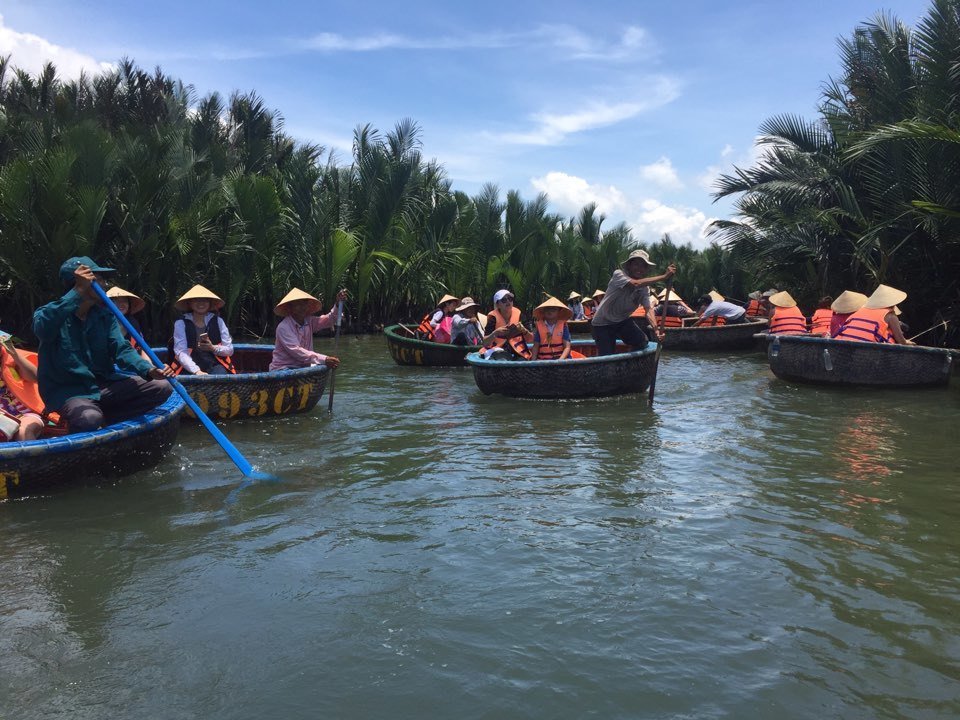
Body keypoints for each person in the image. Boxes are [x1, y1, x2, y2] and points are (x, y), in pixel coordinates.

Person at [32, 257, 174, 434]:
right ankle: (88, 426)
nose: (105, 284)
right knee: (88, 418)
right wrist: (78, 290)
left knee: (162, 387)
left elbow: (122, 349)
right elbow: (42, 328)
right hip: (70, 391)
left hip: (104, 385)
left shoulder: (105, 316)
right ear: (80, 283)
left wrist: (149, 370)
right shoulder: (51, 313)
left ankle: (106, 420)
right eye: (98, 279)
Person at [590, 249, 677, 355]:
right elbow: (635, 284)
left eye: (643, 266)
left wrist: (656, 330)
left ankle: (629, 366)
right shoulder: (619, 274)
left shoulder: (645, 289)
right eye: (636, 264)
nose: (639, 269)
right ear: (629, 266)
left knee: (642, 341)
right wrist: (664, 277)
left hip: (622, 321)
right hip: (602, 324)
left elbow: (648, 310)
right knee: (607, 355)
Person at [269, 288, 346, 371]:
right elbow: (297, 352)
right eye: (298, 304)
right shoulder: (284, 327)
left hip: (303, 368)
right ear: (290, 307)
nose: (302, 307)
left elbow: (329, 320)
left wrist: (337, 305)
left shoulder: (309, 321)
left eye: (304, 303)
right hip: (283, 369)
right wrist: (324, 359)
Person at [171, 285, 236, 376]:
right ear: (189, 303)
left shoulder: (218, 321)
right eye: (196, 300)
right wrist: (196, 371)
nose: (200, 303)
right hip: (188, 363)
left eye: (204, 300)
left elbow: (229, 350)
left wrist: (212, 348)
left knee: (221, 375)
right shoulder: (180, 323)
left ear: (210, 303)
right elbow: (181, 352)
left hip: (214, 362)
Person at [834, 284, 913, 344]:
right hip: (868, 349)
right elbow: (900, 340)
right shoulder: (891, 315)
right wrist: (907, 343)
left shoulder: (860, 310)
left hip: (843, 346)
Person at [0, 336, 45, 441]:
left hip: (23, 413)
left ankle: (33, 457)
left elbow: (34, 377)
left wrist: (13, 353)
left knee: (24, 431)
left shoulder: (10, 357)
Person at [482, 289, 533, 359]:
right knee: (501, 357)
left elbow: (531, 339)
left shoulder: (520, 314)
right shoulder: (493, 318)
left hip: (517, 351)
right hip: (498, 351)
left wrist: (524, 331)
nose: (508, 301)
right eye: (504, 300)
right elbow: (485, 343)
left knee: (522, 359)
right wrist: (495, 333)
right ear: (497, 304)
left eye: (510, 299)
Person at [106, 285, 150, 361]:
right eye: (116, 300)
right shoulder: (103, 322)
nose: (121, 304)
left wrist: (151, 367)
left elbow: (141, 348)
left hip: (131, 363)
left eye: (124, 300)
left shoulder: (132, 322)